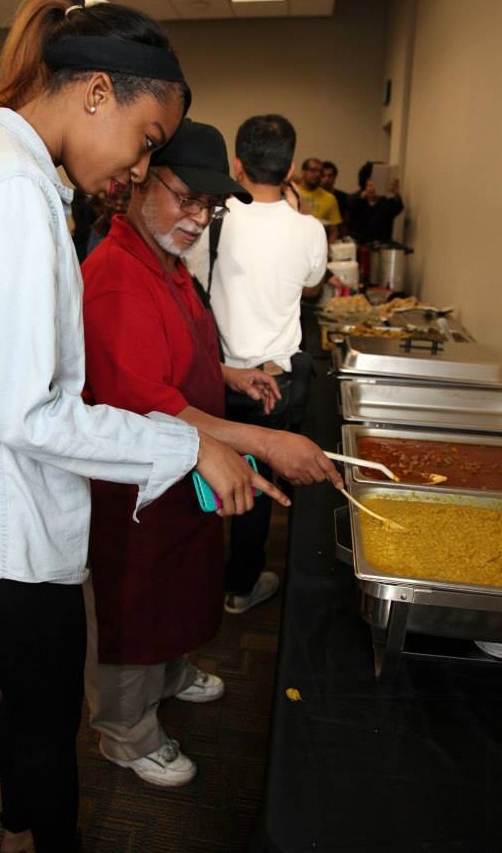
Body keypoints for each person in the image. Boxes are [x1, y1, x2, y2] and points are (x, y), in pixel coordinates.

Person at [0, 0, 266, 853]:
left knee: (32, 705)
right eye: (145, 139)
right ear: (95, 93)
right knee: (47, 720)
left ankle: (18, 835)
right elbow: (30, 414)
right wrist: (189, 448)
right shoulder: (8, 188)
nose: (139, 167)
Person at [81, 117, 341, 788]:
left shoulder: (165, 263)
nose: (198, 218)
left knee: (180, 583)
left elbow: (174, 357)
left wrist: (227, 374)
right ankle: (126, 732)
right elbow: (146, 404)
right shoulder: (116, 277)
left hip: (183, 477)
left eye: (210, 206)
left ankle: (170, 674)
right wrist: (266, 440)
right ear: (141, 181)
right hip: (136, 492)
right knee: (135, 604)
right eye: (186, 199)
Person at [188, 115, 329, 613]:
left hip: (216, 375)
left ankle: (194, 581)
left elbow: (193, 280)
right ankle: (240, 586)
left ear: (237, 165)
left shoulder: (211, 220)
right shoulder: (309, 229)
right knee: (259, 485)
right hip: (273, 381)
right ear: (290, 168)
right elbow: (312, 286)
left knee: (201, 472)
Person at [347, 161, 404, 244]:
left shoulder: (387, 200)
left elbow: (398, 208)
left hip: (382, 244)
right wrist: (366, 193)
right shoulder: (356, 197)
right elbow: (350, 205)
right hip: (359, 243)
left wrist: (395, 193)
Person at [295, 157, 342, 240]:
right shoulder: (292, 193)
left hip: (319, 242)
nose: (317, 174)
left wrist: (328, 245)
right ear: (302, 172)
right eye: (313, 170)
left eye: (320, 172)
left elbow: (335, 229)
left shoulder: (330, 198)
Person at [321, 159, 348, 228]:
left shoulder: (344, 198)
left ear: (335, 177)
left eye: (330, 176)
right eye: (323, 175)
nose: (326, 179)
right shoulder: (312, 195)